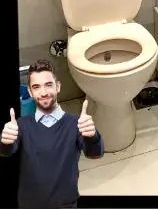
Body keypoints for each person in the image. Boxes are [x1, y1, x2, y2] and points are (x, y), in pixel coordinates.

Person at [0, 59, 104, 209]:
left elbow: (95, 153)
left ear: (58, 86)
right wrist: (5, 141)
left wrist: (92, 135)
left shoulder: (76, 124)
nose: (43, 93)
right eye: (36, 87)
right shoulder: (21, 126)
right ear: (30, 92)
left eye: (48, 85)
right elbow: (7, 151)